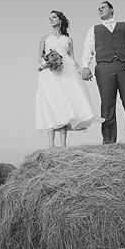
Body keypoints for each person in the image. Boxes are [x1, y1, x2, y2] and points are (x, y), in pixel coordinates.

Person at [81, 1, 125, 146]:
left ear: (111, 10)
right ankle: (109, 141)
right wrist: (86, 66)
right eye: (98, 8)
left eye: (103, 7)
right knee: (107, 105)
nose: (100, 10)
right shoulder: (94, 29)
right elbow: (88, 48)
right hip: (104, 68)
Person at [35, 10, 104, 148]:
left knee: (64, 107)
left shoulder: (68, 40)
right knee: (50, 106)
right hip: (49, 75)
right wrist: (47, 63)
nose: (51, 20)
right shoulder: (44, 38)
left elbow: (72, 58)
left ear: (60, 20)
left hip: (65, 75)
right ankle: (51, 145)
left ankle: (63, 145)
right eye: (50, 18)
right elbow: (39, 57)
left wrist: (82, 71)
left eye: (54, 17)